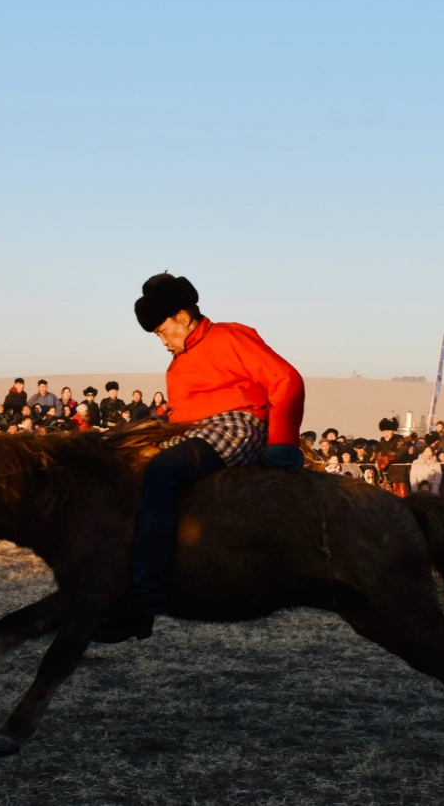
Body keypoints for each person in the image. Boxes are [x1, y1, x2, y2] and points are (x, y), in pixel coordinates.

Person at [93, 273, 306, 644]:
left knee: (162, 471)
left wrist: (282, 442)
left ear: (181, 315)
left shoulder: (228, 335)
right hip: (193, 430)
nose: (161, 341)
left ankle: (145, 601)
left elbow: (286, 379)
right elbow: (184, 411)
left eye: (161, 331)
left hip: (239, 422)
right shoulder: (177, 363)